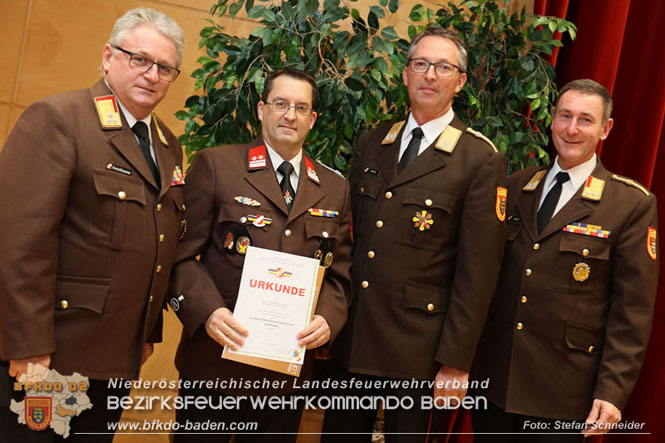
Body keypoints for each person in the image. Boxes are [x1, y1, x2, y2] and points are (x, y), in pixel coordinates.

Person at [0, 7, 185, 442]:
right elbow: (19, 242)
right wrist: (27, 346)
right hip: (54, 355)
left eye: (164, 67)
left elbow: (159, 243)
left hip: (117, 358)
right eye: (139, 59)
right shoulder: (60, 118)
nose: (152, 75)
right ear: (108, 56)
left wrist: (147, 332)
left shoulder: (167, 145)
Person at [323, 26, 508, 440]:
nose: (429, 75)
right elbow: (348, 241)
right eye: (420, 64)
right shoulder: (375, 142)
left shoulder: (479, 159)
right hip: (353, 341)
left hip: (420, 353)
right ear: (405, 74)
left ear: (459, 82)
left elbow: (478, 274)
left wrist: (456, 363)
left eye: (443, 67)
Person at [470, 79, 659, 442]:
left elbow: (631, 313)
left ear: (606, 129)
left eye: (585, 120)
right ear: (552, 121)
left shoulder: (631, 205)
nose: (572, 129)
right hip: (498, 381)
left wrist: (612, 391)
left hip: (565, 391)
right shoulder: (513, 188)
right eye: (564, 116)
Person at [168, 67, 351, 442]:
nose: (290, 115)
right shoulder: (217, 166)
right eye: (281, 104)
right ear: (262, 109)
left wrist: (328, 319)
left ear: (313, 119)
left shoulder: (335, 188)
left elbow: (340, 274)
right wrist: (207, 311)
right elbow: (180, 255)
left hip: (285, 373)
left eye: (301, 108)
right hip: (215, 364)